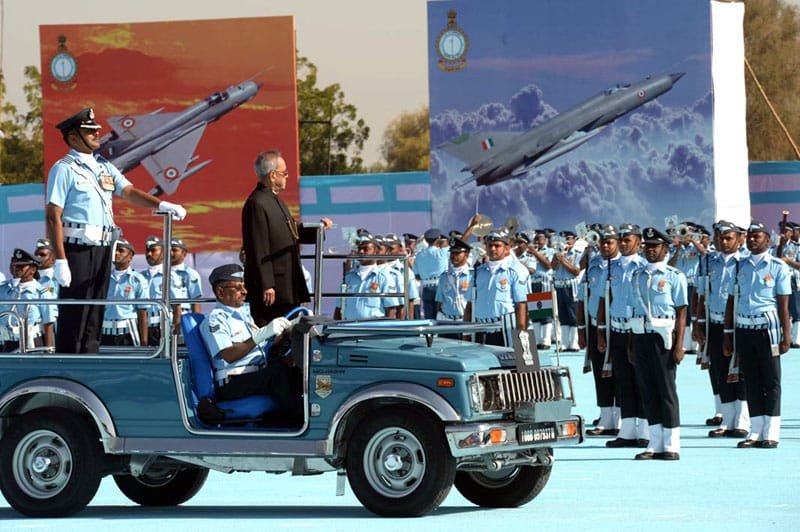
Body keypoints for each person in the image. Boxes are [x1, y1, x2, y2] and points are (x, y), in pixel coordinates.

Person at [45, 108, 186, 353]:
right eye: (90, 131)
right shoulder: (63, 168)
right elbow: (53, 215)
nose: (97, 134)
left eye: (96, 130)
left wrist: (161, 204)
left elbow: (128, 191)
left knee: (96, 309)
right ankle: (70, 360)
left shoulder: (103, 166)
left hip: (103, 246)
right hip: (77, 247)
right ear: (74, 137)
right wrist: (60, 259)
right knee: (76, 310)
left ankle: (89, 356)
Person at [200, 263, 301, 424]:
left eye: (244, 286)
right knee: (278, 373)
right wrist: (261, 334)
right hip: (233, 382)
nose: (244, 292)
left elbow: (258, 348)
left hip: (254, 376)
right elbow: (228, 355)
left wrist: (284, 333)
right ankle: (298, 422)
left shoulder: (243, 315)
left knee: (294, 369)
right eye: (238, 288)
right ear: (220, 292)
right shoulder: (216, 319)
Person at [241, 149, 332, 326]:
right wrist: (267, 283)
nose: (287, 177)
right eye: (285, 173)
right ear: (273, 175)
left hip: (286, 283)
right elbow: (258, 246)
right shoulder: (257, 203)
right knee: (272, 332)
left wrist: (319, 230)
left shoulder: (275, 201)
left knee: (289, 332)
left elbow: (292, 232)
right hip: (273, 286)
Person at [723, 221, 791, 449]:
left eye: (757, 236)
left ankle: (771, 431)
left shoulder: (778, 267)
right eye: (750, 236)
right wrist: (728, 333)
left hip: (767, 329)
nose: (752, 240)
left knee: (771, 381)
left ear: (767, 240)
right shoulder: (739, 266)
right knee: (750, 379)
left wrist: (786, 335)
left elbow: (783, 305)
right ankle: (755, 430)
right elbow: (732, 301)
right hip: (744, 328)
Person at [628, 227, 687, 461]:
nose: (650, 250)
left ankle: (672, 444)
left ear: (665, 248)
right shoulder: (637, 275)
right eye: (648, 246)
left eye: (655, 246)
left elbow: (682, 311)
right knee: (648, 390)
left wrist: (680, 344)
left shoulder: (674, 276)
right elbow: (634, 309)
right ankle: (655, 443)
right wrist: (632, 344)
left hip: (664, 338)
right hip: (641, 335)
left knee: (666, 390)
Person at [693, 221, 749, 439]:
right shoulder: (708, 262)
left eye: (728, 238)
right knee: (719, 370)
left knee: (740, 371)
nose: (723, 242)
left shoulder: (743, 262)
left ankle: (742, 421)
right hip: (714, 323)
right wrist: (698, 323)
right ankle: (727, 420)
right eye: (719, 238)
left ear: (738, 239)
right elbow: (701, 293)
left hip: (739, 324)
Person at [598, 223, 649, 447]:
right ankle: (627, 430)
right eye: (621, 240)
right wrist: (601, 330)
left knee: (643, 380)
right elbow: (602, 299)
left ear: (638, 242)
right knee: (623, 381)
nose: (623, 244)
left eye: (627, 240)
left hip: (638, 330)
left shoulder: (645, 266)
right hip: (617, 330)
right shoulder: (612, 267)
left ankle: (647, 430)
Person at [579, 225, 620, 438]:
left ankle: (622, 416)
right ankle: (606, 416)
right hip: (595, 325)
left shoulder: (625, 266)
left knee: (620, 372)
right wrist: (581, 328)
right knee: (600, 372)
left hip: (619, 326)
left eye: (609, 241)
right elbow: (581, 297)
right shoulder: (593, 266)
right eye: (602, 241)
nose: (605, 245)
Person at [471, 229, 529, 347]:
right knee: (481, 364)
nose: (492, 249)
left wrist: (521, 331)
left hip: (505, 326)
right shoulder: (478, 272)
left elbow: (521, 304)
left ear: (506, 248)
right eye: (490, 245)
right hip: (481, 326)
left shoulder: (515, 270)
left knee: (509, 363)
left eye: (497, 246)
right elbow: (471, 302)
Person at [0, 249, 56, 351]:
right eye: (16, 265)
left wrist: (49, 349)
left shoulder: (41, 293)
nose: (17, 269)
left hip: (31, 341)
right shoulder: (3, 289)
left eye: (21, 266)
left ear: (33, 269)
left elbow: (48, 322)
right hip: (5, 341)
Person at [333, 234, 394, 320]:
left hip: (373, 329)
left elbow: (391, 309)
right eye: (359, 249)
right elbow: (339, 307)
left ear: (375, 252)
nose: (361, 252)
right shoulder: (348, 278)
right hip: (349, 328)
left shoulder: (384, 278)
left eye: (366, 249)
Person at [101, 239, 149, 346]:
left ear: (130, 257)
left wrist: (144, 343)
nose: (116, 253)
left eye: (121, 250)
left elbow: (142, 313)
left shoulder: (137, 279)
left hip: (128, 333)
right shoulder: (103, 278)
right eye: (114, 251)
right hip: (105, 332)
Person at [139, 236, 182, 348]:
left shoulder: (170, 276)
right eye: (147, 250)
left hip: (163, 327)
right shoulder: (140, 277)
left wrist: (175, 335)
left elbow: (177, 308)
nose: (149, 254)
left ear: (163, 252)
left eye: (153, 250)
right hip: (142, 327)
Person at [552, 230, 581, 351]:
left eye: (569, 238)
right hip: (559, 286)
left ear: (574, 240)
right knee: (562, 315)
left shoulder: (577, 253)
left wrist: (563, 259)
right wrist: (556, 257)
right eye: (564, 239)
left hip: (571, 286)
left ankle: (574, 342)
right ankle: (564, 343)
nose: (566, 241)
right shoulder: (557, 252)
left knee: (573, 314)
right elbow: (552, 267)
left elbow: (576, 271)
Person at [413, 228, 450, 319]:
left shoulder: (419, 255)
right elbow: (459, 243)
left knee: (429, 317)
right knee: (441, 315)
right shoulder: (442, 252)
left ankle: (430, 333)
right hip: (440, 286)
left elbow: (416, 275)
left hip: (426, 287)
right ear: (438, 239)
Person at [435, 237, 473, 321]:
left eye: (457, 253)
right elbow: (439, 301)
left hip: (465, 320)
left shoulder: (472, 275)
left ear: (466, 254)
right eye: (452, 253)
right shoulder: (444, 277)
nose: (453, 256)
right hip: (446, 320)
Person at [170, 238, 203, 315]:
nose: (171, 253)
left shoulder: (190, 274)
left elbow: (196, 301)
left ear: (184, 254)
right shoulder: (159, 273)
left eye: (174, 250)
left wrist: (195, 322)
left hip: (183, 316)